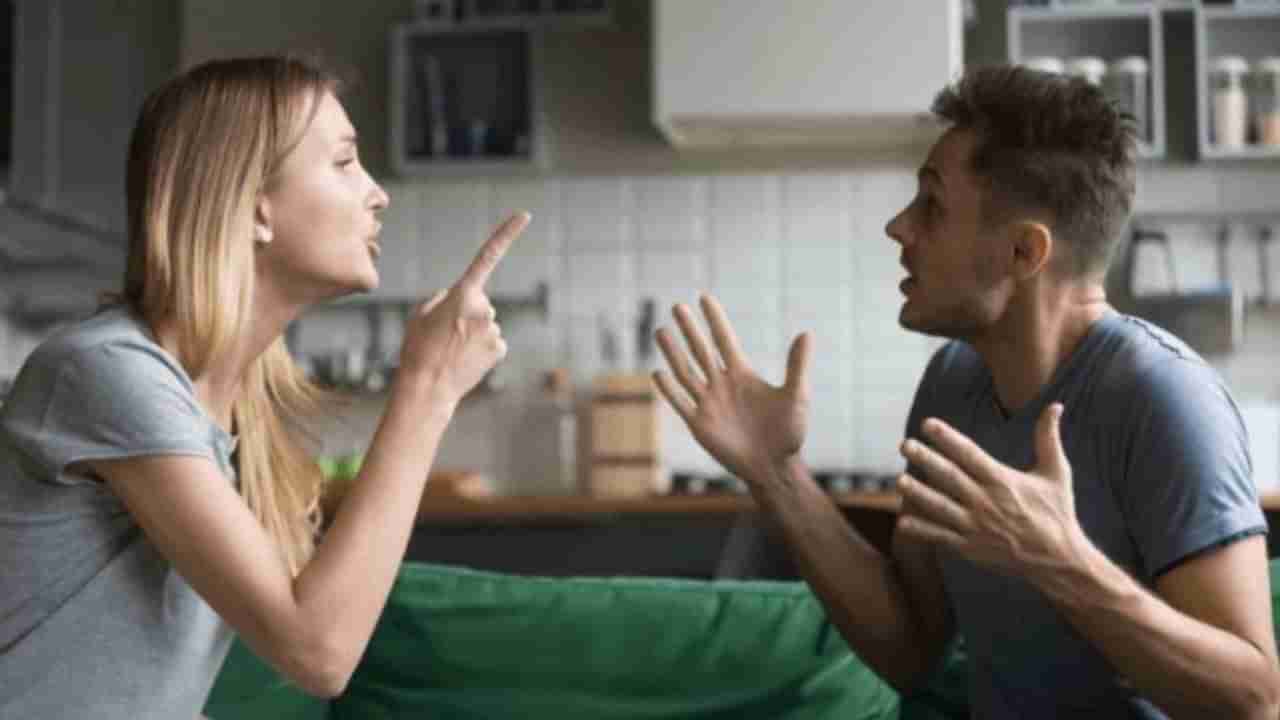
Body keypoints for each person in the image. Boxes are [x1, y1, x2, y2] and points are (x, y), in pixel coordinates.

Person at [652, 65, 1280, 718]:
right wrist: (778, 476)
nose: (899, 227)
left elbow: (1254, 702)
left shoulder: (1164, 397)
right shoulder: (951, 384)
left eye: (932, 205)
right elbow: (910, 647)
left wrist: (1062, 562)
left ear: (1023, 252)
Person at [0, 55, 529, 718]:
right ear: (256, 208)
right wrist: (429, 388)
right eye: (344, 162)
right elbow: (319, 652)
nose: (378, 193)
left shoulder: (222, 403)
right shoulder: (108, 373)